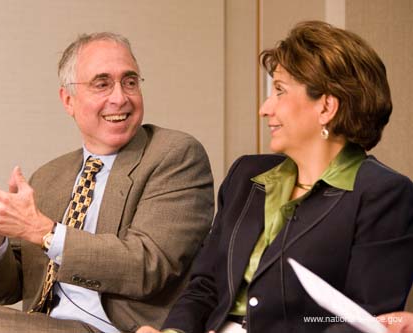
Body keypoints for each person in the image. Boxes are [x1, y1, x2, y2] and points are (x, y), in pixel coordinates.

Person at [0, 32, 214, 333]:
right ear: (68, 100)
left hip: (117, 328)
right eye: (102, 84)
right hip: (43, 323)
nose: (120, 97)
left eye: (129, 82)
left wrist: (45, 233)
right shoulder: (50, 176)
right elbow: (4, 291)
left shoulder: (174, 155)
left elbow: (148, 266)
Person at [138, 20, 413, 333]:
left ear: (326, 107)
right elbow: (205, 285)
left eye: (279, 91)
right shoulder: (246, 175)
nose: (265, 108)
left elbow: (363, 323)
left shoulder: (383, 194)